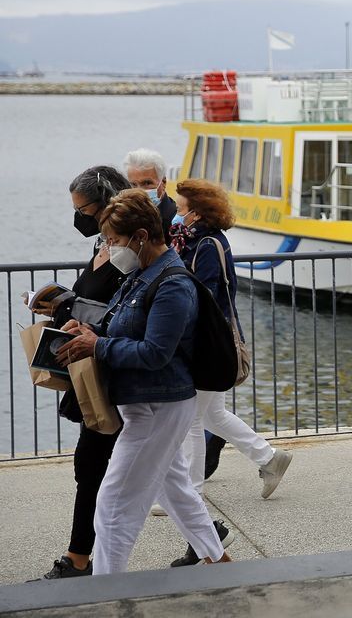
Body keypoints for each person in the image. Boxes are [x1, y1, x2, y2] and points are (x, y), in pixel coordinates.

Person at [54, 189, 229, 573]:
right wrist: (87, 329)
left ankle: (106, 593)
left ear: (141, 237)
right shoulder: (142, 275)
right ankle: (219, 560)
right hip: (147, 404)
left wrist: (97, 346)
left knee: (113, 508)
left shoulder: (172, 284)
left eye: (115, 241)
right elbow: (120, 327)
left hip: (158, 407)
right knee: (177, 492)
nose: (110, 248)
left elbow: (155, 353)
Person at [166, 179, 292, 566]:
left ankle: (193, 493)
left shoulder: (206, 245)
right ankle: (268, 457)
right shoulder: (195, 241)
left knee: (193, 421)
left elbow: (209, 295)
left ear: (197, 212)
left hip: (207, 345)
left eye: (181, 207)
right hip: (207, 344)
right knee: (211, 414)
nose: (176, 212)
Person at [30, 167, 132, 579]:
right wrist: (62, 306)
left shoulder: (128, 252)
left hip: (113, 369)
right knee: (155, 471)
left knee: (93, 463)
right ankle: (208, 541)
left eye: (84, 208)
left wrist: (80, 316)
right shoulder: (103, 244)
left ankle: (78, 559)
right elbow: (93, 297)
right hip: (93, 365)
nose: (80, 217)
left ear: (106, 202)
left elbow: (124, 310)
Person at [123, 149, 177, 227]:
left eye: (147, 183)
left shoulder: (175, 221)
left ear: (163, 182)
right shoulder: (123, 218)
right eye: (134, 185)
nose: (139, 191)